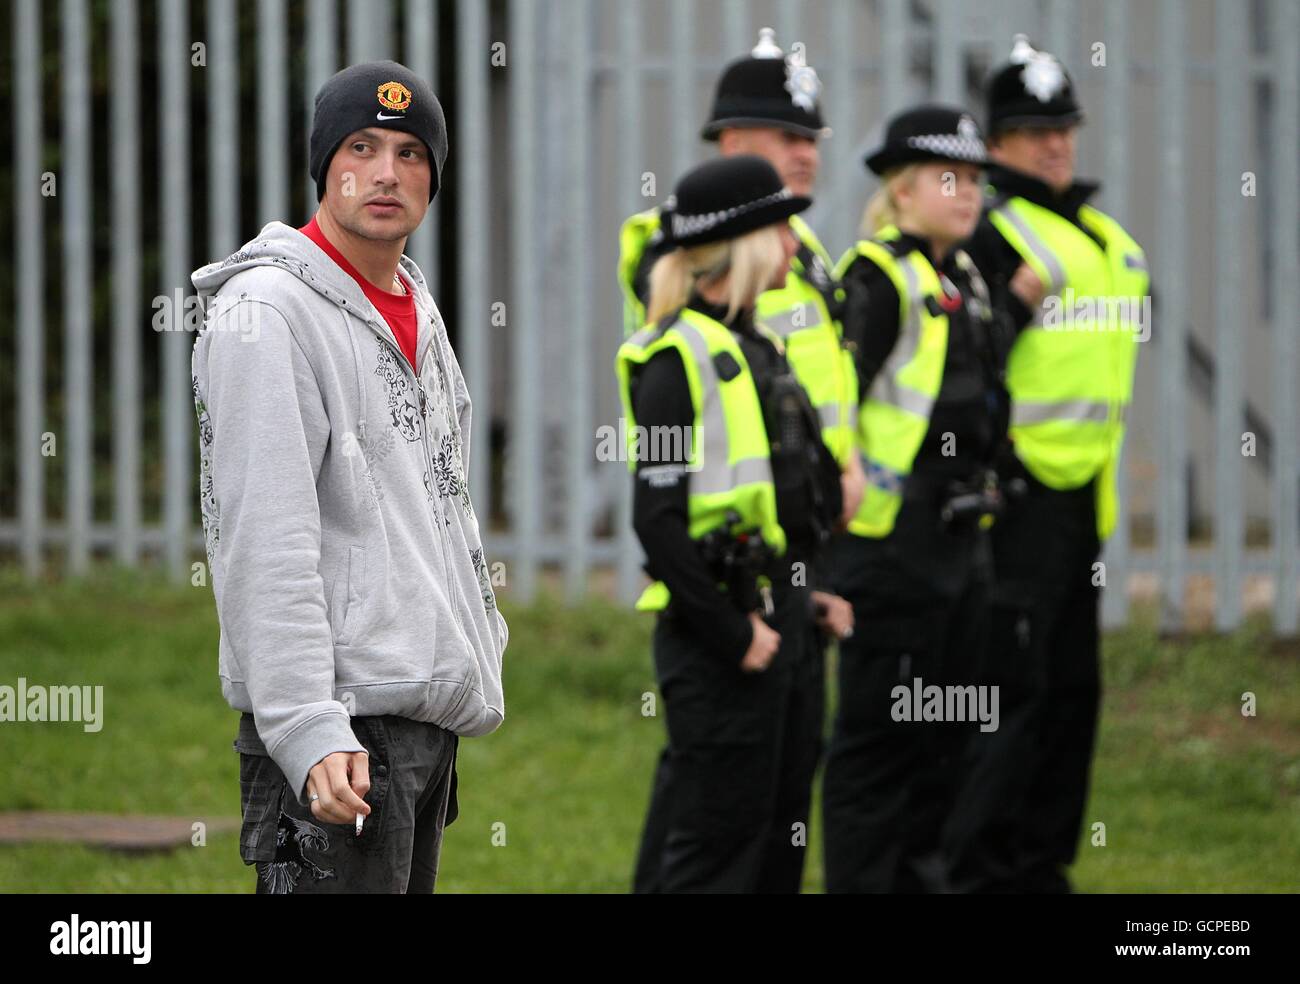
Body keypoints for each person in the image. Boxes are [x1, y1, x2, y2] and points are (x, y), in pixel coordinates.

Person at [191, 60, 508, 894]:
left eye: (411, 153)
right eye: (361, 146)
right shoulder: (268, 315)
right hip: (339, 731)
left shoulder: (412, 303)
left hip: (414, 724)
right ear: (325, 164)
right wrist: (305, 726)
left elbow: (442, 500)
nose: (385, 172)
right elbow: (265, 542)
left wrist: (478, 644)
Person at [619, 26, 863, 896]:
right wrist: (738, 634)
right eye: (781, 233)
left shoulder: (761, 346)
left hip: (787, 616)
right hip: (729, 635)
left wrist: (815, 590)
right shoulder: (677, 359)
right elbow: (657, 517)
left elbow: (790, 487)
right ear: (750, 244)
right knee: (715, 848)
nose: (797, 247)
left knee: (775, 841)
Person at [947, 36, 1150, 893]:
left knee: (1073, 698)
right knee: (1009, 701)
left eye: (1063, 126)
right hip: (1016, 501)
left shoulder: (1108, 239)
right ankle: (980, 871)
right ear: (996, 146)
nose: (1055, 143)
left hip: (1082, 506)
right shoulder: (991, 237)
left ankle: (1040, 868)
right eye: (1032, 130)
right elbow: (960, 367)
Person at [821, 106, 1002, 893]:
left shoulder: (963, 274)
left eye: (976, 180)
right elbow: (836, 409)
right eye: (948, 178)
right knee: (879, 749)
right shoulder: (878, 277)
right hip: (886, 555)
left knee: (949, 740)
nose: (968, 195)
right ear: (900, 189)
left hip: (958, 549)